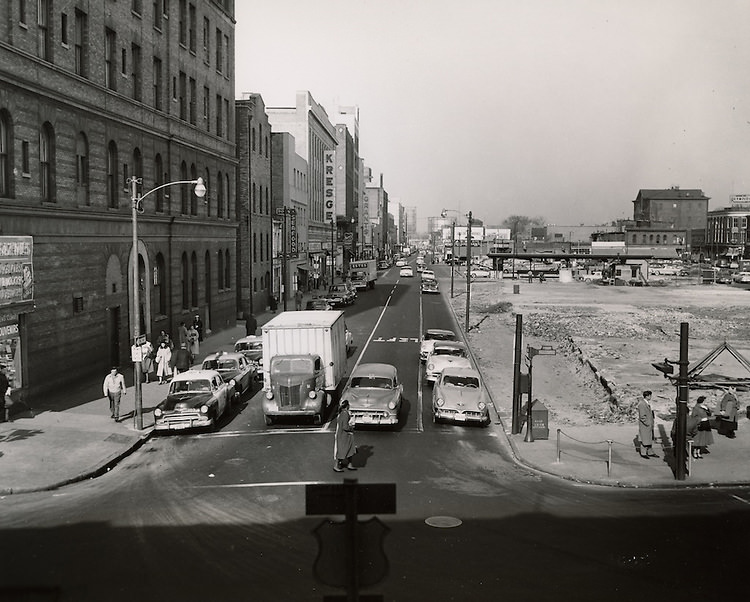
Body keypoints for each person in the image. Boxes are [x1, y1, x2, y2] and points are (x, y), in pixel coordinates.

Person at [333, 399, 357, 472]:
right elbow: (345, 427)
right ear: (347, 406)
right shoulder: (345, 414)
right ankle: (336, 465)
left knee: (350, 449)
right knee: (343, 450)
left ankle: (350, 464)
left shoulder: (341, 413)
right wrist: (351, 427)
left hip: (342, 435)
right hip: (344, 435)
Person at [637, 390, 659, 458]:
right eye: (650, 395)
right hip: (645, 425)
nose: (651, 397)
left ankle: (650, 452)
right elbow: (642, 416)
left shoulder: (646, 403)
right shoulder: (642, 404)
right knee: (644, 439)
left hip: (648, 425)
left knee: (649, 439)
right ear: (647, 396)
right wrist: (648, 423)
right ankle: (643, 453)